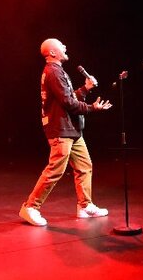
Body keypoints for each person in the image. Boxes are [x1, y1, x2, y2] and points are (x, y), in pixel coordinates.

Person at [19, 38, 113, 227]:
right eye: (61, 46)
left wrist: (85, 89)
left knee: (84, 165)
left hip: (71, 129)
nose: (65, 47)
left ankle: (85, 206)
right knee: (56, 169)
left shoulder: (58, 71)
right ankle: (30, 207)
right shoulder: (53, 72)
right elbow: (69, 104)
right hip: (61, 128)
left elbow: (68, 98)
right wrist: (93, 108)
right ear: (53, 53)